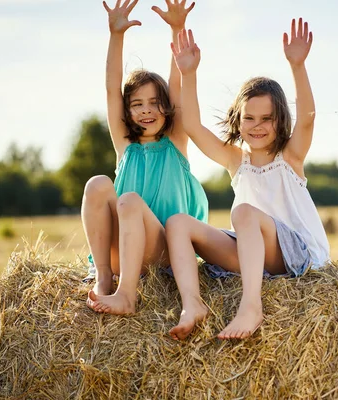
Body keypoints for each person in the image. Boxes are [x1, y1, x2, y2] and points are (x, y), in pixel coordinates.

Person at [165, 19, 330, 340]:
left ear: (280, 119)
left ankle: (251, 306)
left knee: (242, 213)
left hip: (297, 254)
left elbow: (308, 121)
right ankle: (193, 304)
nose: (257, 126)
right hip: (252, 253)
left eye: (266, 118)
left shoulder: (290, 157)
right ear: (238, 120)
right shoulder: (235, 160)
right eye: (249, 118)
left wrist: (298, 66)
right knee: (177, 224)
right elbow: (194, 127)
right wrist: (189, 74)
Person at [84, 0, 208, 315]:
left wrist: (177, 28)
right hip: (122, 253)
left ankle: (128, 295)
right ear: (127, 110)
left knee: (129, 201)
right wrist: (116, 35)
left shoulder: (175, 142)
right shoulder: (125, 146)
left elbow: (177, 85)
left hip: (164, 252)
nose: (147, 110)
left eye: (155, 102)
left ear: (166, 107)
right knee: (98, 184)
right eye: (137, 103)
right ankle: (103, 277)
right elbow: (112, 89)